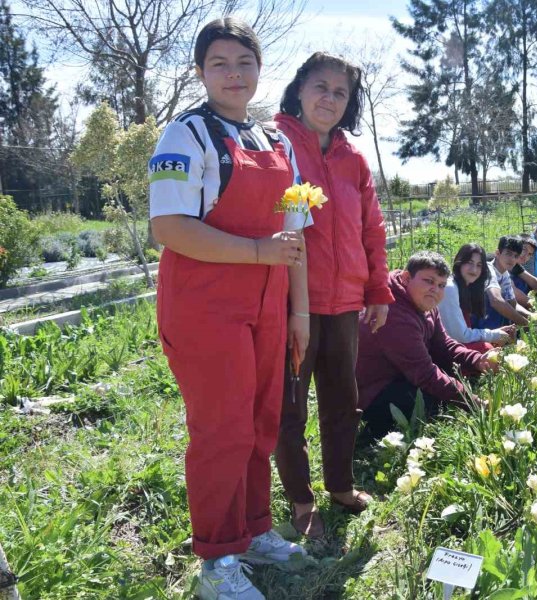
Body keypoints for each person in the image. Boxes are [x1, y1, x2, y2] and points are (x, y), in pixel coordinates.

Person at [150, 18, 307, 599]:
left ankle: (254, 531)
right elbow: (169, 227)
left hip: (268, 303)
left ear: (260, 69)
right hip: (205, 305)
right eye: (219, 63)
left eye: (244, 62)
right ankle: (217, 562)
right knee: (222, 429)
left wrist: (299, 311)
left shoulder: (277, 142)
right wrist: (257, 251)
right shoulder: (185, 137)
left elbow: (296, 236)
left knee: (262, 421)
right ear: (200, 72)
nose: (233, 74)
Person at [272, 52, 393, 539]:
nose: (329, 98)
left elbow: (372, 228)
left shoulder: (353, 158)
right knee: (291, 404)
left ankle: (340, 486)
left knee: (344, 398)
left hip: (344, 302)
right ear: (299, 89)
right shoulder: (276, 145)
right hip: (291, 301)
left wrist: (377, 289)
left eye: (340, 92)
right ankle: (302, 499)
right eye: (320, 86)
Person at [356, 252, 496, 438]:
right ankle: (377, 432)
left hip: (401, 373)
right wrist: (472, 401)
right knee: (433, 399)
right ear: (406, 278)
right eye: (428, 281)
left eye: (441, 285)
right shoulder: (394, 313)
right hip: (374, 391)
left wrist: (477, 360)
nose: (435, 290)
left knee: (449, 376)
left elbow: (444, 344)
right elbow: (425, 374)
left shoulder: (423, 301)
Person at [438, 243, 515, 352]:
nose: (474, 270)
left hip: (457, 343)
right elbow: (460, 336)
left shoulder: (467, 287)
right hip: (443, 347)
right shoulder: (450, 288)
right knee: (487, 349)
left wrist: (496, 332)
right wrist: (494, 335)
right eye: (470, 263)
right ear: (459, 262)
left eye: (479, 265)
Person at [478, 235, 531, 329]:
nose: (512, 259)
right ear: (497, 253)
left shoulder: (505, 274)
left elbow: (513, 304)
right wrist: (526, 323)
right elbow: (496, 301)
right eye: (508, 254)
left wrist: (533, 317)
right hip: (477, 323)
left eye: (516, 256)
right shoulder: (488, 269)